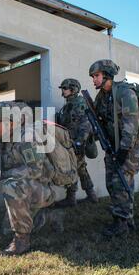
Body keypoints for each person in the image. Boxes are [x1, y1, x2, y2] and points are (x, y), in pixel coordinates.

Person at [0, 101, 65, 256]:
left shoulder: (27, 137)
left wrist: (6, 175)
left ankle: (21, 240)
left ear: (12, 122)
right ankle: (49, 217)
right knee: (5, 229)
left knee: (11, 186)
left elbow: (36, 170)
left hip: (43, 187)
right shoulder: (4, 139)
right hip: (27, 187)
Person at [89, 59, 139, 236]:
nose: (94, 80)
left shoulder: (126, 93)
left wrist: (124, 151)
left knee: (122, 185)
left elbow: (131, 123)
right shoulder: (101, 97)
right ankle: (124, 219)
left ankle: (123, 223)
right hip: (111, 148)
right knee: (112, 184)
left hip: (126, 150)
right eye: (93, 77)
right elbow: (97, 120)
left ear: (107, 75)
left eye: (96, 76)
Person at [56, 78, 98, 206]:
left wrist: (80, 142)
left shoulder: (78, 103)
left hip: (76, 143)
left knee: (73, 168)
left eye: (65, 88)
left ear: (73, 89)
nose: (63, 91)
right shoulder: (68, 104)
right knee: (80, 168)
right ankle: (91, 195)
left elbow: (86, 124)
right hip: (70, 142)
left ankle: (71, 198)